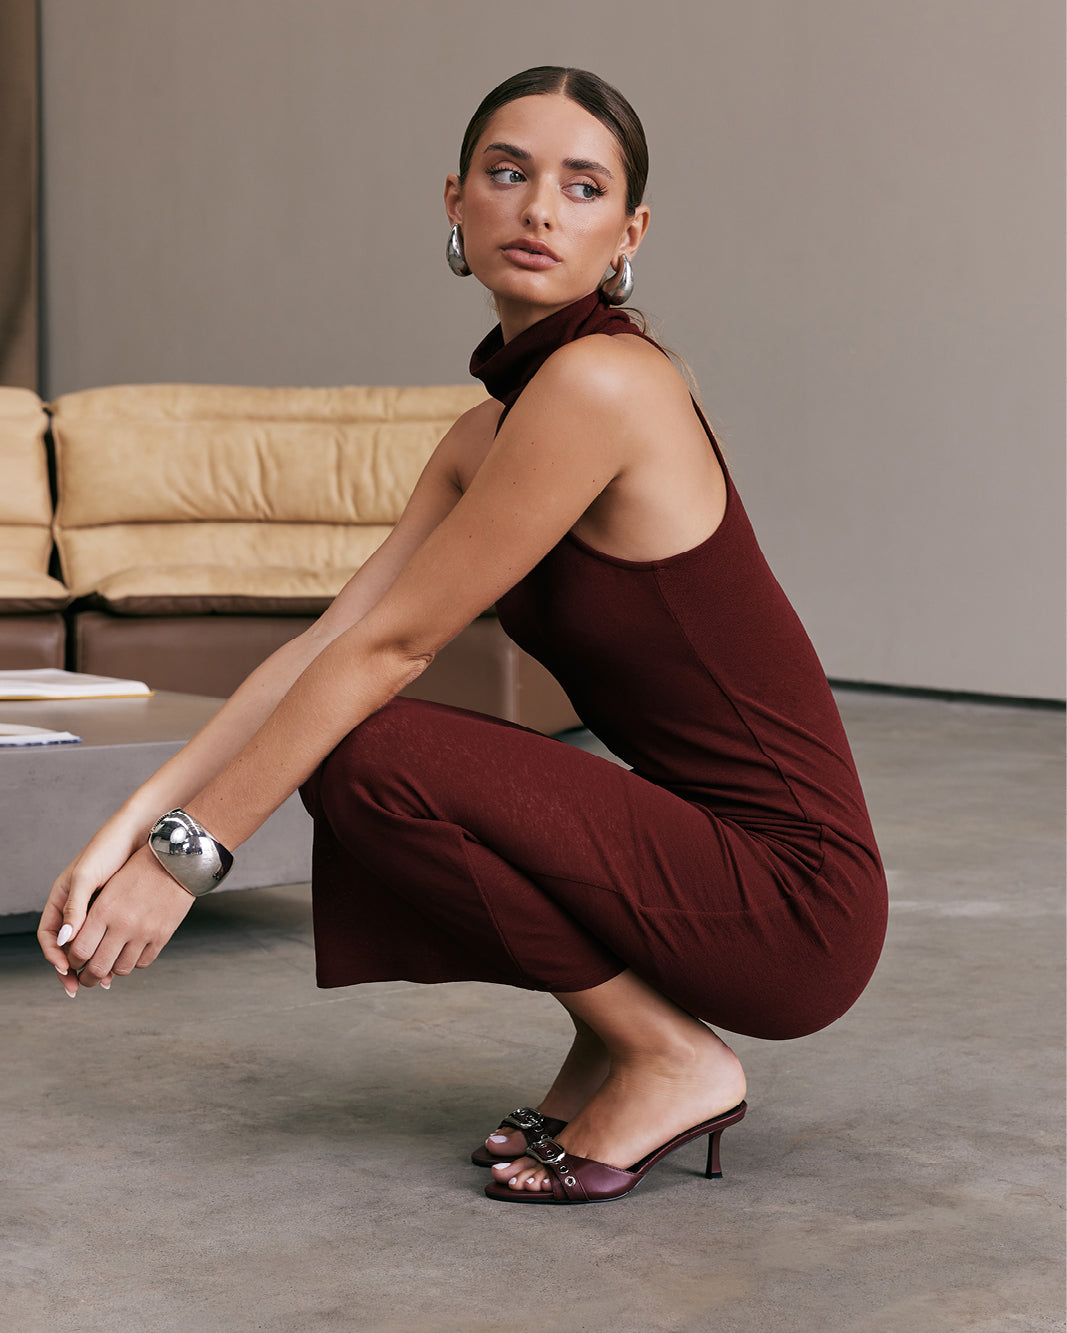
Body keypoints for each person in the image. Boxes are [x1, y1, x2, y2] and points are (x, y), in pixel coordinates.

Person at [38, 66, 888, 1206]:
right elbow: (323, 646)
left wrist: (187, 865)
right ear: (455, 201)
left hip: (791, 901)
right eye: (507, 173)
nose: (538, 209)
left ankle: (666, 1054)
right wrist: (126, 833)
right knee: (337, 713)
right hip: (700, 855)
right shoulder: (483, 436)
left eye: (581, 187)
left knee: (367, 748)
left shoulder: (603, 384)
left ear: (628, 234)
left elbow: (388, 655)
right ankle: (619, 1043)